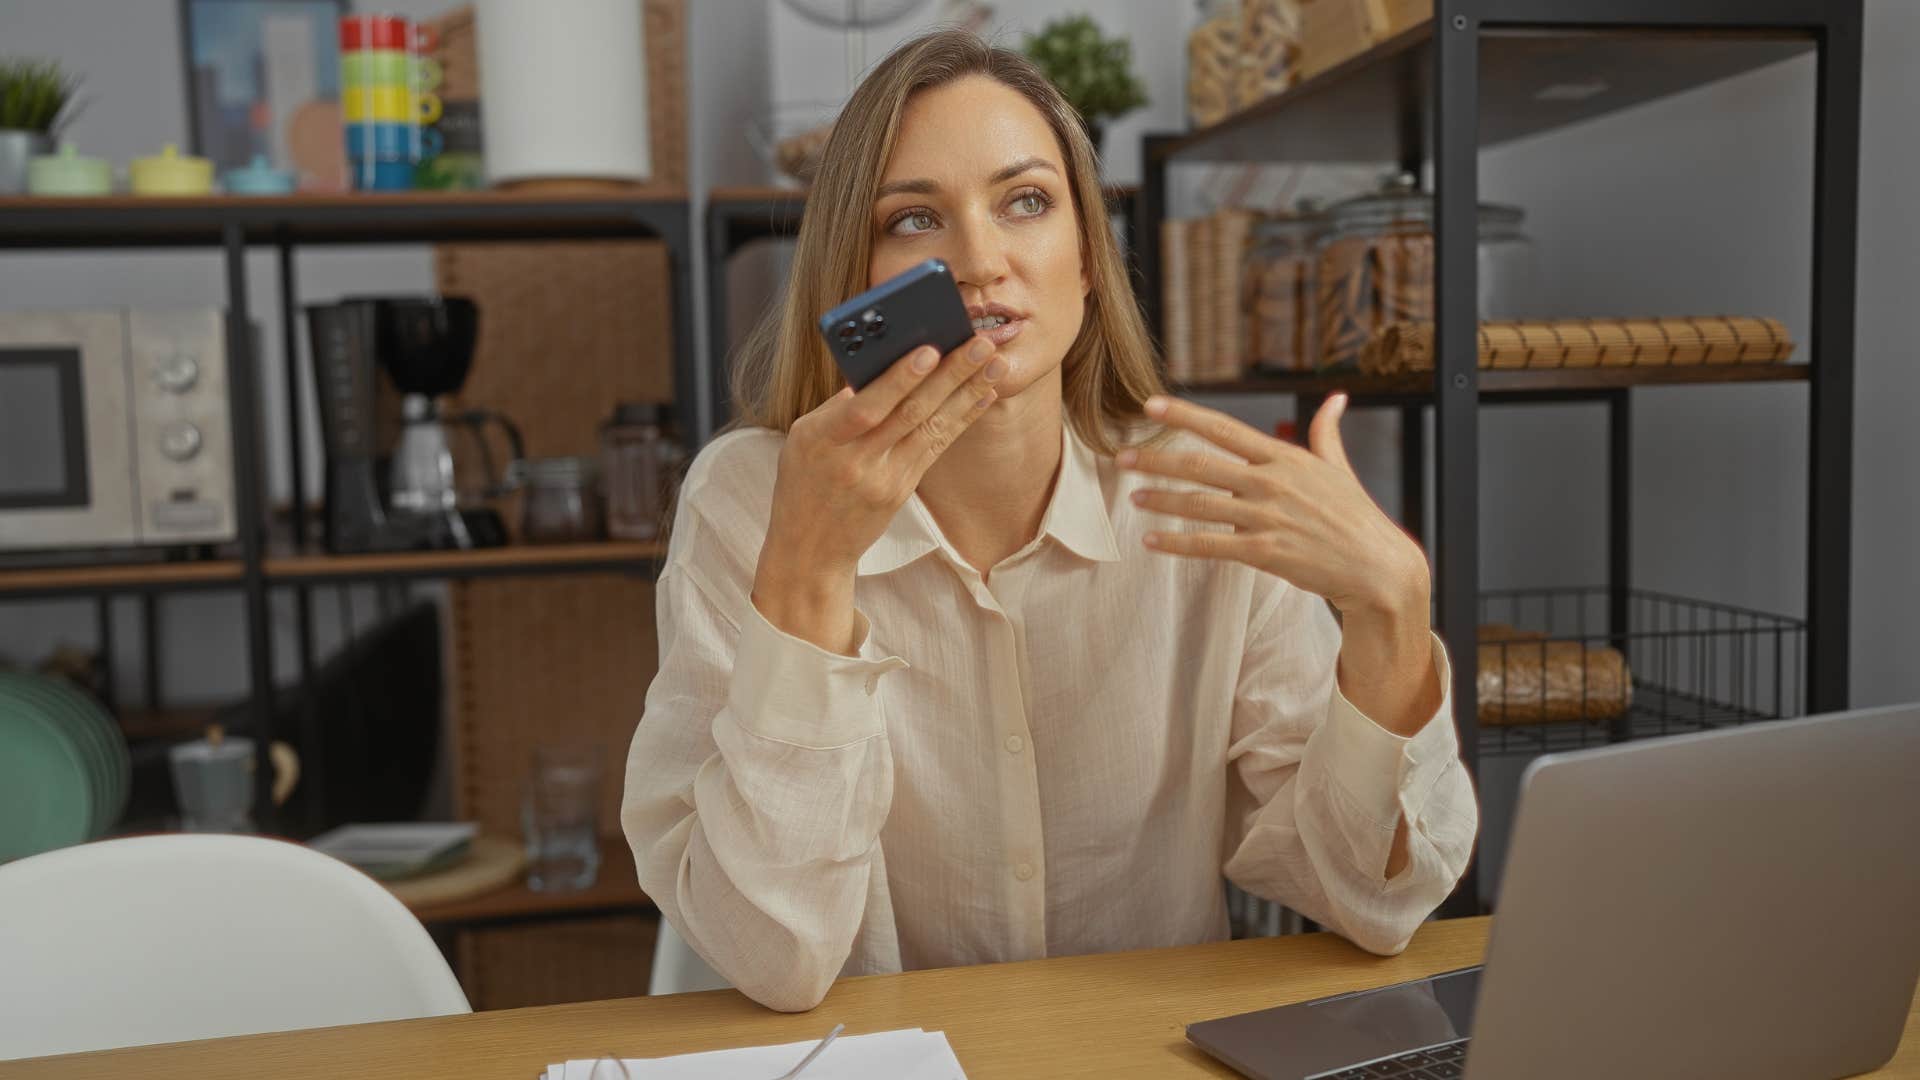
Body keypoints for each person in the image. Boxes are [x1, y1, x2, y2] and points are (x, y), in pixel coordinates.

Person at [622, 28, 1477, 1013]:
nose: (980, 261)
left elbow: (1375, 900)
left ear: (1084, 263)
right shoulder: (750, 502)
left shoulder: (1207, 502)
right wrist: (808, 578)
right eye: (913, 220)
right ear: (853, 280)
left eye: (1025, 202)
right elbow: (772, 957)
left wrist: (1394, 613)